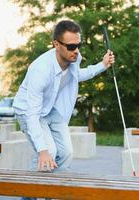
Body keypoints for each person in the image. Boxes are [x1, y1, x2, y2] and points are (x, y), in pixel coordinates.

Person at [13, 20, 115, 199]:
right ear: (56, 44)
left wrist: (102, 65)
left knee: (66, 153)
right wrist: (42, 151)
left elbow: (77, 76)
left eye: (78, 45)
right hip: (28, 111)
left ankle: (53, 194)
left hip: (51, 109)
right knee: (48, 152)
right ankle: (29, 196)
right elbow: (33, 114)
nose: (76, 50)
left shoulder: (74, 58)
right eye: (71, 46)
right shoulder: (41, 70)